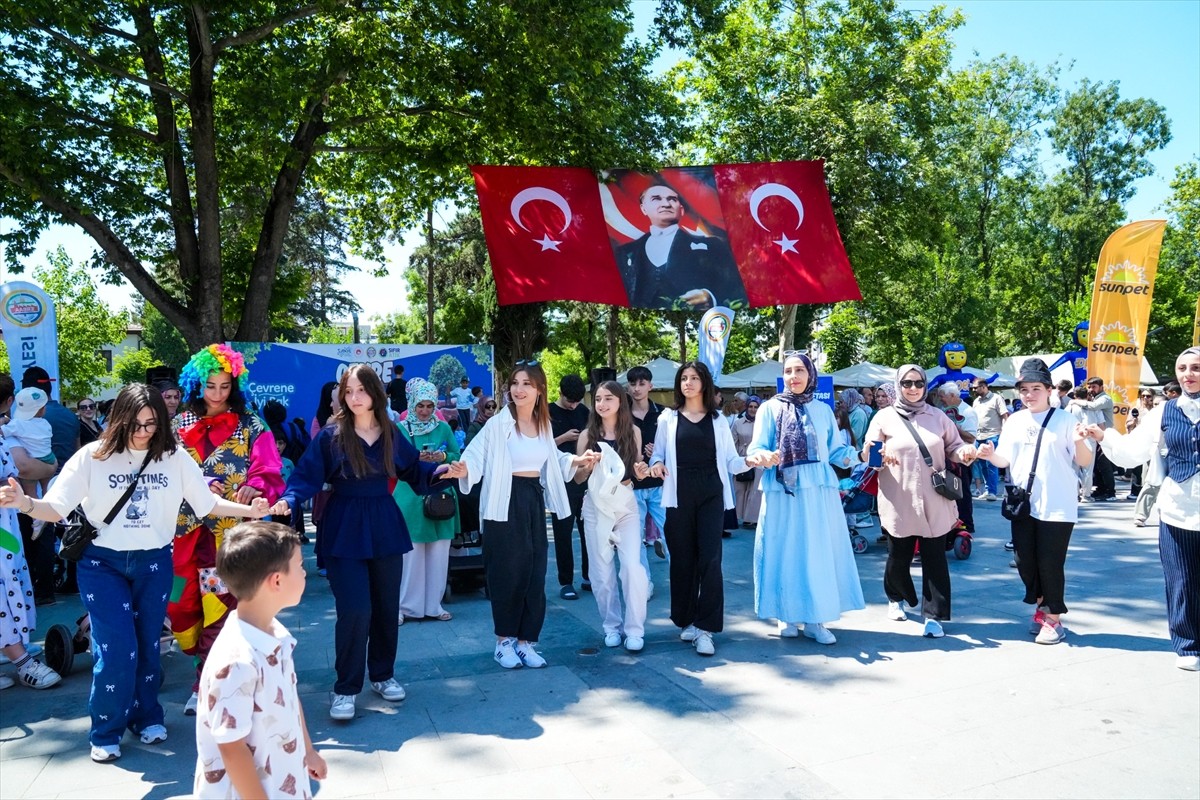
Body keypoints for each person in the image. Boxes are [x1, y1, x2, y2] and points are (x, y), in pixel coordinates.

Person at [0, 383, 270, 762]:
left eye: (152, 424)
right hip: (102, 565)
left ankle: (146, 717)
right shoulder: (91, 456)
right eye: (136, 424)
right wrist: (25, 502)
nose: (144, 432)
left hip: (154, 563)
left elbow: (206, 504)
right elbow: (56, 508)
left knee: (148, 645)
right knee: (116, 650)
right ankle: (107, 728)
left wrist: (252, 512)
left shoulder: (173, 458)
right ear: (120, 421)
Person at [270, 364, 450, 719]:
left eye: (361, 391)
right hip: (343, 525)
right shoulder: (331, 435)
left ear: (375, 394)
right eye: (348, 391)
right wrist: (287, 501)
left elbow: (415, 472)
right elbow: (305, 478)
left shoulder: (391, 433)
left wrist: (446, 471)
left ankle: (383, 675)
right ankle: (345, 688)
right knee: (354, 610)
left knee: (385, 607)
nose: (353, 398)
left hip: (384, 520)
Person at [442, 362, 599, 670]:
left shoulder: (543, 425)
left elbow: (551, 459)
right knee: (505, 573)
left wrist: (578, 460)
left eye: (526, 383)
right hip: (503, 501)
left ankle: (527, 641)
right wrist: (465, 468)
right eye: (514, 383)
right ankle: (504, 641)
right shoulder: (498, 424)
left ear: (539, 389)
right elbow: (475, 455)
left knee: (534, 572)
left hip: (532, 500)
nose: (518, 389)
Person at [170, 344, 285, 716]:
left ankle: (209, 682)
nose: (217, 394)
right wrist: (195, 482)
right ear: (196, 384)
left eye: (224, 386)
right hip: (185, 533)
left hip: (231, 535)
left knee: (223, 608)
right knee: (183, 606)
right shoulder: (177, 426)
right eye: (210, 386)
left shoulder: (252, 424)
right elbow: (162, 474)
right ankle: (208, 674)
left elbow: (269, 469)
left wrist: (256, 485)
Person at [193, 521, 327, 798]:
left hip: (284, 778)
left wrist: (308, 750)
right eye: (300, 566)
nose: (304, 573)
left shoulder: (276, 635)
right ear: (276, 581)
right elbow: (231, 748)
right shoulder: (236, 662)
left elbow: (288, 696)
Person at [1086, 348, 1200, 671]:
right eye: (1182, 368)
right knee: (1181, 581)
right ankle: (1188, 644)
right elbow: (1130, 452)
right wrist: (1103, 435)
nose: (1188, 374)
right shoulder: (1163, 413)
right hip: (1177, 508)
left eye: (1195, 368)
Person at [748, 353, 865, 643]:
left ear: (810, 374)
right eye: (788, 371)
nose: (793, 376)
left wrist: (861, 455)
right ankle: (785, 614)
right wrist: (762, 456)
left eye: (799, 370)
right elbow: (756, 448)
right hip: (781, 488)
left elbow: (836, 451)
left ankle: (816, 619)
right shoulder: (769, 408)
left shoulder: (824, 410)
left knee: (816, 552)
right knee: (783, 549)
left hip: (818, 490)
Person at [977, 359, 1093, 646]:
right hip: (1023, 504)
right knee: (1024, 561)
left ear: (1050, 390)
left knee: (1050, 563)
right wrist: (989, 455)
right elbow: (1005, 459)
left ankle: (1053, 619)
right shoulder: (1015, 421)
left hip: (1058, 505)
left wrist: (1080, 440)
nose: (1029, 395)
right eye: (1024, 389)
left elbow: (1084, 460)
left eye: (1036, 388)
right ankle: (1042, 604)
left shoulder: (1066, 420)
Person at [864, 364, 977, 639]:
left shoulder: (938, 417)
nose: (913, 388)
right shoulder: (883, 417)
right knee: (898, 555)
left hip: (935, 498)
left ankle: (934, 615)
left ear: (925, 386)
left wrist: (966, 453)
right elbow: (869, 454)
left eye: (918, 383)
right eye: (906, 383)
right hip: (898, 497)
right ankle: (895, 596)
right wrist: (882, 453)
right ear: (898, 385)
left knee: (935, 557)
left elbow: (953, 446)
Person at [647, 361, 751, 657]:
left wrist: (751, 461)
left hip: (711, 495)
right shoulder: (668, 418)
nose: (688, 383)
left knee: (710, 559)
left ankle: (706, 629)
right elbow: (659, 453)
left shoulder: (718, 420)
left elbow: (731, 461)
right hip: (678, 496)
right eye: (684, 378)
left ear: (704, 383)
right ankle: (686, 619)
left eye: (694, 378)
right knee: (682, 561)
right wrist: (656, 464)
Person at [572, 381, 652, 652]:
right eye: (597, 399)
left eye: (608, 398)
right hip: (595, 507)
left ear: (620, 401)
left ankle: (635, 629)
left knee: (632, 568)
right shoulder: (586, 436)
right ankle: (611, 626)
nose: (602, 404)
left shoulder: (634, 432)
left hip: (626, 506)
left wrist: (642, 471)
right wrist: (585, 466)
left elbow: (637, 470)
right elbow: (579, 478)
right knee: (601, 573)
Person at [0, 377, 61, 692]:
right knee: (3, 585)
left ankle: (14, 649)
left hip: (5, 524)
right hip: (4, 525)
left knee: (10, 579)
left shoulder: (6, 430)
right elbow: (24, 468)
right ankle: (20, 659)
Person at [615, 182, 747, 310]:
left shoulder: (712, 246)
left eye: (672, 199)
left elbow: (737, 288)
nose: (666, 204)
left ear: (681, 210)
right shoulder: (626, 252)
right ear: (643, 208)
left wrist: (711, 298)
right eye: (656, 199)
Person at [394, 377, 460, 622]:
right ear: (412, 404)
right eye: (420, 405)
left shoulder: (442, 427)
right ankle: (404, 607)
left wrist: (441, 455)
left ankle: (434, 605)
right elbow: (393, 460)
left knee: (439, 552)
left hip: (439, 494)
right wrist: (417, 459)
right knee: (410, 555)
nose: (424, 411)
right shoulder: (400, 429)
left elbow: (456, 454)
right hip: (410, 496)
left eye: (429, 406)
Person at [20, 367, 79, 607]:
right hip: (67, 481)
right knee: (72, 533)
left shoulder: (28, 419)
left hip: (35, 484)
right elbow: (77, 449)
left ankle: (39, 589)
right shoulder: (69, 415)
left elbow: (22, 463)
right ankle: (63, 584)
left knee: (36, 535)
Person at [548, 374, 590, 600]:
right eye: (569, 401)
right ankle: (566, 582)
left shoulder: (584, 413)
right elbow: (539, 447)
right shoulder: (547, 413)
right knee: (562, 532)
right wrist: (563, 438)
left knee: (588, 530)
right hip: (559, 481)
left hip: (584, 478)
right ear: (560, 392)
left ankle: (588, 576)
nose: (573, 406)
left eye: (576, 402)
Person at [627, 366, 668, 560]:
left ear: (650, 386)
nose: (637, 388)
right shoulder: (621, 415)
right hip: (632, 485)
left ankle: (680, 582)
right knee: (635, 541)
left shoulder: (664, 414)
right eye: (633, 383)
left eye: (642, 384)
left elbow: (675, 447)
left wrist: (661, 453)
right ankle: (642, 586)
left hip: (660, 485)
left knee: (671, 533)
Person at [936, 383, 978, 535]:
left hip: (962, 457)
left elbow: (972, 437)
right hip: (945, 457)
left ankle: (966, 523)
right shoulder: (942, 410)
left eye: (942, 396)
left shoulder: (968, 411)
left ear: (953, 395)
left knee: (963, 492)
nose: (940, 399)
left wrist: (953, 429)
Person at [4, 387, 57, 503]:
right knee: (47, 489)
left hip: (33, 459)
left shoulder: (17, 424)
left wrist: (4, 422)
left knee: (31, 493)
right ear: (42, 409)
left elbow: (3, 432)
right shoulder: (46, 423)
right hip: (49, 458)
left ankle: (37, 517)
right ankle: (51, 511)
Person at [1078, 376, 1117, 500]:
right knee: (1098, 465)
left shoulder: (1105, 399)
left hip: (1105, 435)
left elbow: (1093, 406)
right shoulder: (1094, 398)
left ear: (1101, 387)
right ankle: (1101, 489)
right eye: (1089, 387)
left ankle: (1111, 492)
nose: (1090, 389)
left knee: (1105, 465)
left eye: (1094, 387)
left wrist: (1075, 401)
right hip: (1097, 436)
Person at [971, 376, 1007, 501]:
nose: (974, 390)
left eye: (976, 388)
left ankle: (992, 491)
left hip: (993, 435)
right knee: (982, 465)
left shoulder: (996, 398)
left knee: (991, 464)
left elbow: (1004, 416)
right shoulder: (976, 401)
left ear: (984, 387)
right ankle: (987, 490)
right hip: (979, 436)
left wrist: (1005, 433)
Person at [731, 395, 763, 529]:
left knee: (755, 490)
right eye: (750, 406)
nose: (753, 409)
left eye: (756, 407)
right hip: (742, 459)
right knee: (740, 489)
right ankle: (740, 516)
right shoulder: (738, 423)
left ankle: (752, 519)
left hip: (759, 460)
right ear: (746, 407)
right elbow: (732, 442)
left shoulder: (763, 423)